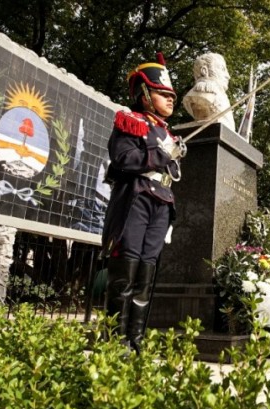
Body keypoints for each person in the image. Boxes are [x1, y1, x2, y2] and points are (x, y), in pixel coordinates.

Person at [101, 52, 186, 353]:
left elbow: (171, 173)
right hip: (136, 197)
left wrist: (173, 155)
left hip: (161, 202)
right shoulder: (131, 120)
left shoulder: (167, 132)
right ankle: (115, 340)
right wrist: (162, 154)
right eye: (163, 94)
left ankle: (135, 339)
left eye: (171, 95)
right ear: (144, 94)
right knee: (127, 270)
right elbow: (122, 158)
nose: (170, 99)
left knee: (146, 276)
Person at [181, 52, 235, 130]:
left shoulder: (220, 96)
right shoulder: (199, 95)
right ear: (204, 71)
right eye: (222, 69)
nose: (228, 76)